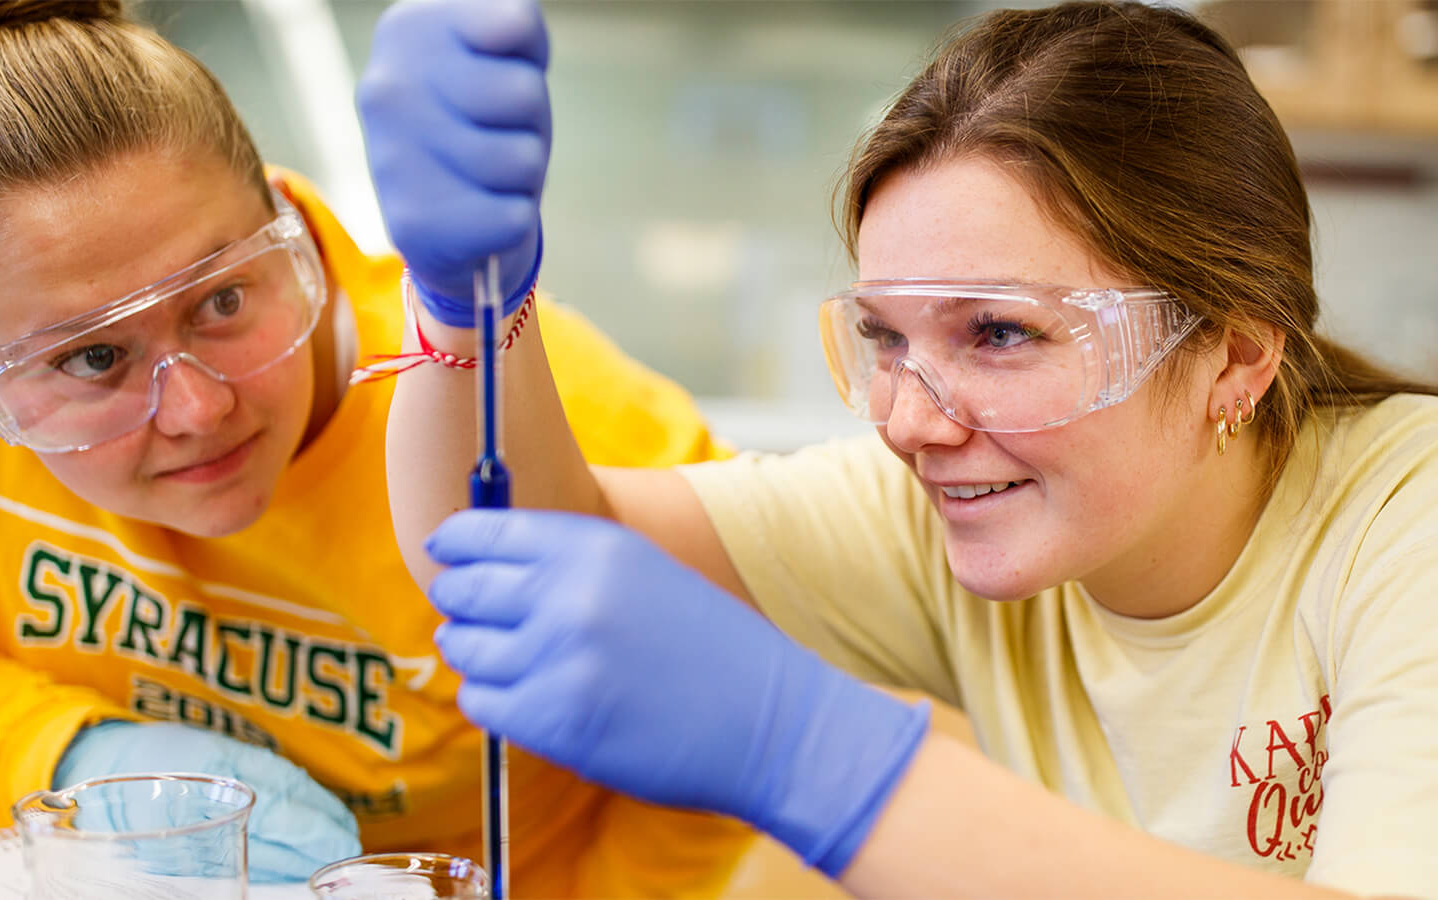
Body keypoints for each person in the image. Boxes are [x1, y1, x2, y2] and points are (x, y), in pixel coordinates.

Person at [360, 0, 1438, 897]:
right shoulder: (958, 511)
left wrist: (819, 760)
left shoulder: (1405, 524)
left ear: (1236, 356)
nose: (912, 422)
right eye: (882, 335)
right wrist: (465, 310)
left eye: (1001, 334)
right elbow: (513, 550)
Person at [0, 0, 759, 893]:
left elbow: (738, 745)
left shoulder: (561, 431)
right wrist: (72, 754)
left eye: (222, 300)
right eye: (93, 357)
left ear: (293, 234)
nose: (197, 410)